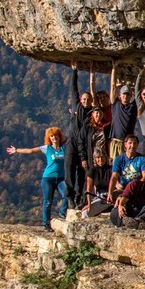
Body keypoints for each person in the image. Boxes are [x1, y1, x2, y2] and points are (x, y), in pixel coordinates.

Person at [7, 127, 67, 229]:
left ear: (59, 136)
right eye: (51, 136)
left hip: (61, 178)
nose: (54, 137)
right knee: (48, 201)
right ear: (49, 138)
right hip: (48, 179)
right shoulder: (47, 148)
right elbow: (30, 151)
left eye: (56, 135)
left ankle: (62, 213)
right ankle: (46, 224)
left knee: (67, 194)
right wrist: (16, 150)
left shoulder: (64, 149)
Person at [66, 66, 96, 208]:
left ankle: (80, 197)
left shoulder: (92, 114)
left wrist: (92, 74)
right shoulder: (76, 106)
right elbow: (73, 89)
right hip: (71, 143)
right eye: (83, 99)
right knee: (69, 170)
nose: (85, 101)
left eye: (88, 99)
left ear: (91, 101)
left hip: (83, 146)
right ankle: (70, 197)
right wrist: (74, 71)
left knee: (81, 174)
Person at [107, 65, 143, 160]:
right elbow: (112, 87)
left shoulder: (133, 107)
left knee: (127, 167)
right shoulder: (116, 105)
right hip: (115, 142)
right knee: (114, 166)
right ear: (120, 95)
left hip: (128, 144)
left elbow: (138, 92)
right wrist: (114, 68)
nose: (125, 96)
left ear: (130, 95)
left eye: (127, 94)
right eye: (124, 94)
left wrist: (139, 76)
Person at [108, 135, 145, 200]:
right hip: (122, 188)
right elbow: (114, 176)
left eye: (134, 143)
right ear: (125, 144)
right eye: (130, 143)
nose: (132, 146)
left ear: (137, 145)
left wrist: (136, 187)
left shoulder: (142, 158)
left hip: (136, 189)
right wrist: (110, 192)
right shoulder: (118, 159)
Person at [83, 149, 113, 217]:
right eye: (98, 157)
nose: (100, 159)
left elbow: (117, 184)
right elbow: (89, 189)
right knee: (85, 213)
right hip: (100, 197)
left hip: (112, 196)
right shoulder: (92, 170)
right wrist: (89, 204)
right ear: (95, 159)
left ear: (106, 158)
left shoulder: (111, 169)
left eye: (102, 157)